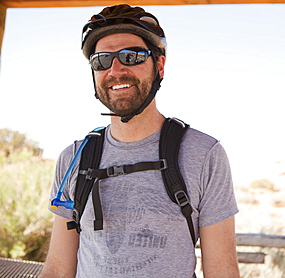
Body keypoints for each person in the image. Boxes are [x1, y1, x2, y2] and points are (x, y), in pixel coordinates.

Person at [40, 4, 239, 278]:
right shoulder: (74, 157)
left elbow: (222, 271)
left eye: (131, 56)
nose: (116, 69)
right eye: (101, 60)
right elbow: (58, 269)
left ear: (159, 65)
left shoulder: (204, 154)